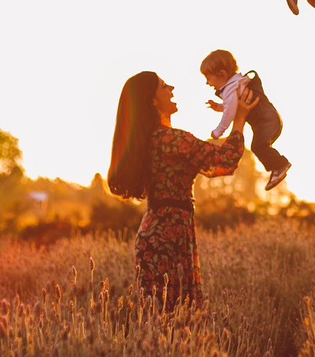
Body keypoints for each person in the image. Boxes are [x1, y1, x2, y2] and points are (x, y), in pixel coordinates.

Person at [107, 71, 258, 309]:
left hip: (160, 233)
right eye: (164, 86)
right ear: (153, 100)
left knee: (165, 321)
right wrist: (239, 118)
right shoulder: (172, 140)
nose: (172, 89)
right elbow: (225, 159)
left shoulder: (149, 141)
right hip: (169, 237)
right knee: (177, 318)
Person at [200, 49, 291, 191]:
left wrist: (219, 130)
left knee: (258, 147)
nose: (207, 82)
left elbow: (230, 112)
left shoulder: (231, 88)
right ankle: (277, 167)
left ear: (222, 74)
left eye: (208, 78)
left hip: (266, 121)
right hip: (268, 120)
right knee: (260, 146)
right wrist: (218, 106)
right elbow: (232, 105)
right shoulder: (237, 84)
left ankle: (279, 165)